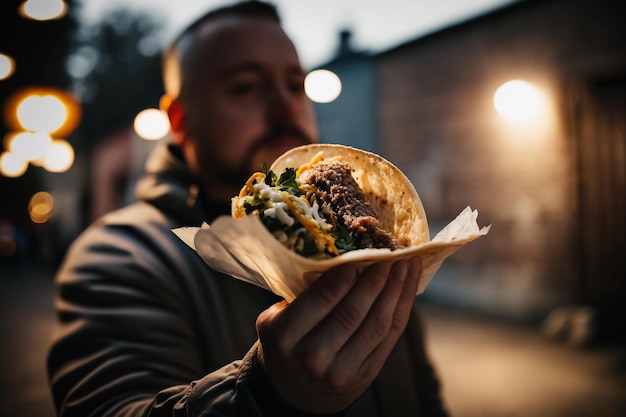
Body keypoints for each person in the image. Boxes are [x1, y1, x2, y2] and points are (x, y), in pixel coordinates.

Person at [47, 1, 449, 416]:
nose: (285, 106)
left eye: (296, 85)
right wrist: (264, 395)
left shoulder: (382, 256)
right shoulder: (116, 258)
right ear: (181, 119)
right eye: (245, 87)